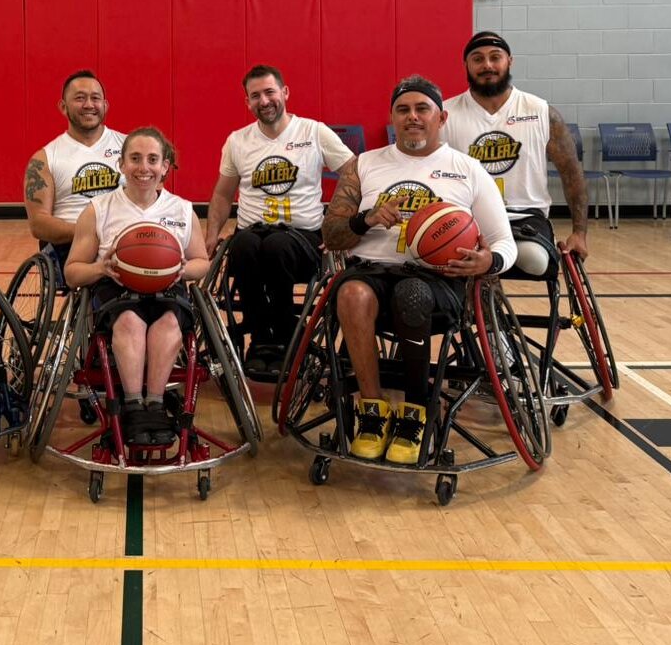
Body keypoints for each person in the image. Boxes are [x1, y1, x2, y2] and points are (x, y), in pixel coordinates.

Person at [321, 76, 514, 466]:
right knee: (350, 293)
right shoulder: (364, 165)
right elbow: (331, 233)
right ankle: (372, 411)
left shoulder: (468, 169)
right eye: (403, 109)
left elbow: (504, 243)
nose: (412, 117)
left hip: (438, 281)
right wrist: (366, 219)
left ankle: (416, 411)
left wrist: (487, 261)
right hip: (374, 272)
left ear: (440, 117)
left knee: (413, 293)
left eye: (421, 109)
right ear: (392, 117)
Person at [204, 64, 354, 377]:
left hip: (301, 239)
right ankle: (260, 343)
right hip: (251, 235)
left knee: (277, 246)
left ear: (284, 93)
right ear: (247, 102)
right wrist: (211, 235)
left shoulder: (313, 132)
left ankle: (286, 339)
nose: (264, 100)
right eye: (255, 95)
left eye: (270, 92)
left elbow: (355, 174)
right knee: (243, 244)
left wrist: (341, 220)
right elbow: (221, 196)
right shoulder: (238, 141)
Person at [64, 127, 210, 446]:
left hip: (168, 288)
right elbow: (72, 272)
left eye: (152, 159)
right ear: (122, 164)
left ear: (165, 167)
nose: (144, 167)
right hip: (116, 289)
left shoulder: (183, 210)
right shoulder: (99, 209)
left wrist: (183, 269)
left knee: (169, 321)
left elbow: (203, 261)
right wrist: (100, 267)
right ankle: (132, 405)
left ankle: (155, 406)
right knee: (130, 321)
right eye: (135, 158)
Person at [442, 31, 590, 277]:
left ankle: (489, 295)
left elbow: (571, 173)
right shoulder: (445, 114)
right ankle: (481, 308)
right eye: (477, 59)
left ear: (509, 61)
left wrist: (579, 233)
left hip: (524, 217)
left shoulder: (541, 112)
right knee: (449, 258)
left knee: (536, 261)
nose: (487, 65)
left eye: (495, 57)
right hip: (466, 217)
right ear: (466, 65)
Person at [23, 70, 125, 268]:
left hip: (127, 240)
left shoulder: (130, 147)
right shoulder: (44, 159)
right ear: (63, 106)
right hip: (75, 246)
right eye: (80, 98)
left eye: (95, 98)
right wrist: (90, 232)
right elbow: (39, 223)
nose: (88, 105)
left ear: (105, 105)